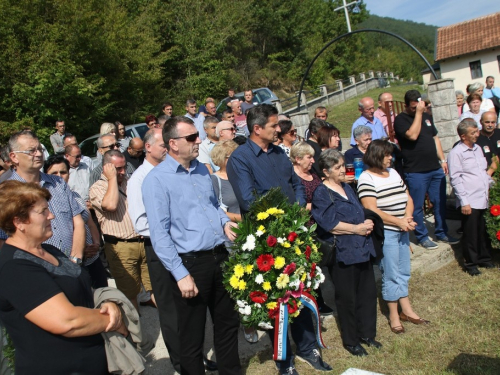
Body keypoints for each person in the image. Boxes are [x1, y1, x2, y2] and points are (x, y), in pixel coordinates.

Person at [227, 104, 330, 375]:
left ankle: (308, 348)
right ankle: (285, 361)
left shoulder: (279, 153)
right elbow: (249, 201)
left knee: (302, 291)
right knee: (279, 300)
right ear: (257, 128)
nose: (278, 130)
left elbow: (295, 183)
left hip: (294, 232)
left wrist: (295, 210)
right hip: (268, 240)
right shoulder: (240, 159)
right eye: (274, 125)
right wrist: (281, 219)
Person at [142, 116, 241, 375]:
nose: (199, 141)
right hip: (190, 265)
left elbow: (211, 206)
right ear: (173, 144)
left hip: (220, 256)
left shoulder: (200, 169)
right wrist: (180, 274)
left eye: (197, 136)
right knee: (191, 334)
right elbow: (159, 235)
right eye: (192, 137)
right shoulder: (157, 180)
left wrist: (224, 223)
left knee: (228, 324)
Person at [0, 180, 127, 374]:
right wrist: (114, 320)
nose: (51, 215)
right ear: (19, 221)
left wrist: (106, 302)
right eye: (43, 212)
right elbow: (67, 321)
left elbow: (79, 289)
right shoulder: (13, 266)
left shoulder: (50, 250)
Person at [312, 149, 379, 356]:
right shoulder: (322, 193)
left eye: (343, 165)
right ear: (326, 171)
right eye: (338, 167)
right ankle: (351, 341)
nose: (344, 169)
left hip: (363, 248)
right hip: (344, 252)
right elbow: (329, 224)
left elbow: (358, 211)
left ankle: (367, 334)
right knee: (347, 298)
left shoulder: (346, 187)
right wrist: (356, 229)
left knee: (367, 294)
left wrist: (367, 221)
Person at [358, 139, 429, 334]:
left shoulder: (394, 172)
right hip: (386, 232)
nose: (391, 158)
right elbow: (371, 209)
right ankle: (394, 315)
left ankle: (406, 310)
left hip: (402, 229)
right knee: (390, 272)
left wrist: (407, 217)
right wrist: (397, 222)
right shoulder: (366, 178)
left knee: (404, 270)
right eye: (387, 154)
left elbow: (408, 198)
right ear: (376, 155)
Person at [0, 130, 86, 261]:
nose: (39, 154)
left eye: (40, 149)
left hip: (71, 263)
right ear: (13, 157)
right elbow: (3, 239)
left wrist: (75, 258)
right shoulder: (7, 193)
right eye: (31, 151)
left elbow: (78, 222)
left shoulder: (58, 183)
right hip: (33, 269)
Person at [394, 89, 459, 249]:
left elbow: (434, 137)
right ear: (407, 105)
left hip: (434, 168)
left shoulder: (428, 117)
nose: (416, 109)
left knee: (439, 202)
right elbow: (412, 136)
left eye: (418, 106)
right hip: (416, 171)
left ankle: (441, 232)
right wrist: (418, 114)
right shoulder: (401, 120)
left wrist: (442, 159)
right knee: (417, 206)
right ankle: (422, 236)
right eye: (413, 107)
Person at [89, 150, 154, 311]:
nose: (123, 172)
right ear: (107, 168)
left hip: (143, 242)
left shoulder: (130, 181)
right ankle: (136, 334)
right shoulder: (97, 188)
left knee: (155, 287)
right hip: (121, 247)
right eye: (118, 169)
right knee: (129, 294)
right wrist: (112, 179)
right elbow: (110, 205)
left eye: (124, 167)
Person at [44, 155, 107, 288]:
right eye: (54, 173)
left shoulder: (76, 196)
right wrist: (81, 250)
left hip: (93, 258)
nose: (59, 176)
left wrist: (96, 244)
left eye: (63, 172)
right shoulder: (46, 201)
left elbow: (89, 223)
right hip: (72, 260)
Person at [290, 142, 334, 317]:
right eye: (309, 157)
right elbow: (296, 206)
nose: (312, 160)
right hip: (307, 228)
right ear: (298, 159)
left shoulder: (312, 173)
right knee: (311, 267)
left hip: (323, 223)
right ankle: (317, 303)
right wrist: (315, 206)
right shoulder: (293, 178)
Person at [448, 119, 495, 276]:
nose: (477, 134)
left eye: (477, 131)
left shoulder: (478, 149)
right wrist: (464, 201)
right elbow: (455, 178)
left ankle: (484, 258)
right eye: (473, 133)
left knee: (482, 230)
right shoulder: (456, 153)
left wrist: (491, 184)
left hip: (482, 197)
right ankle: (471, 263)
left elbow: (482, 172)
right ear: (463, 136)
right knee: (470, 233)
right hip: (470, 200)